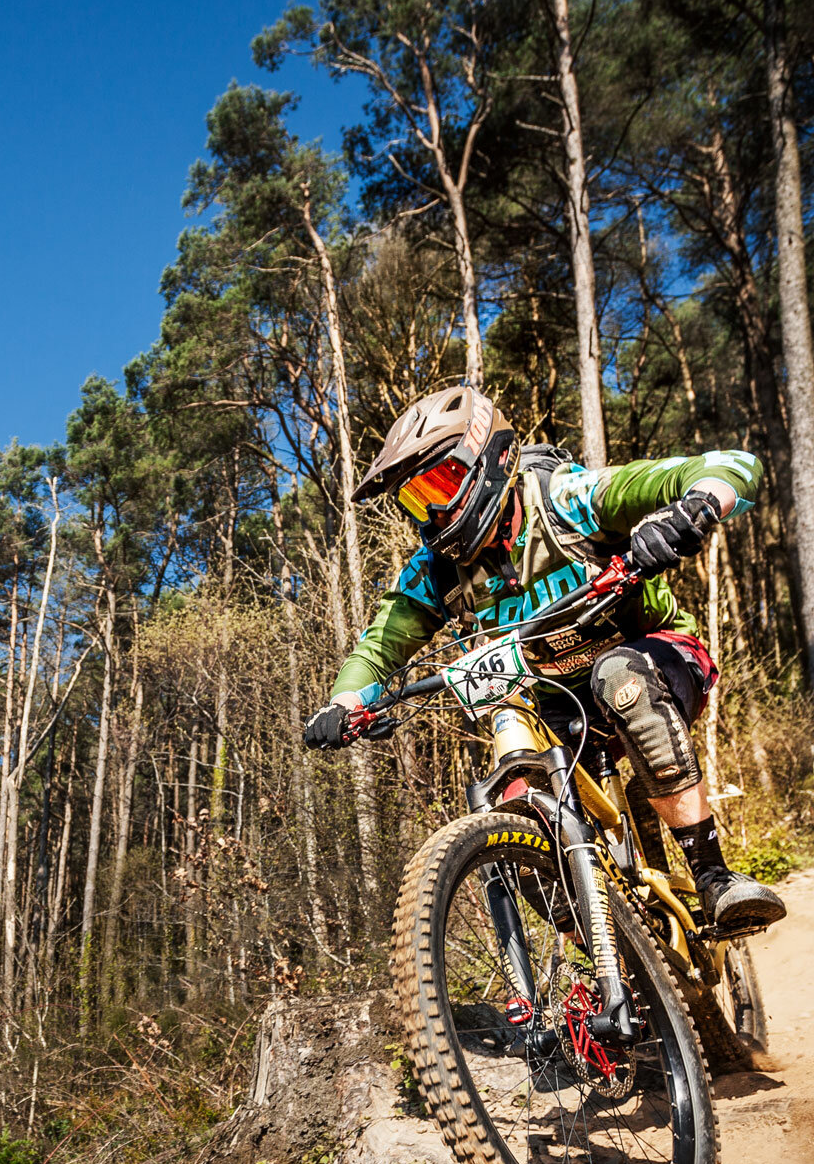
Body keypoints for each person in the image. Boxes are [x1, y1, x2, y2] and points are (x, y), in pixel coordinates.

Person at [301, 385, 788, 933]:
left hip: (656, 657)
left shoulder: (566, 499)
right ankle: (604, 942)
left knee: (619, 675)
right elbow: (381, 643)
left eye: (440, 485)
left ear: (490, 462)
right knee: (512, 797)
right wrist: (344, 703)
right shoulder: (435, 569)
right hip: (555, 701)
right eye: (416, 501)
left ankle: (715, 878)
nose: (434, 513)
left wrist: (689, 512)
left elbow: (732, 464)